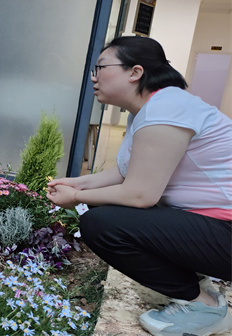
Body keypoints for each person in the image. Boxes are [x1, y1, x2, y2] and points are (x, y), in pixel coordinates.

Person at [47, 36, 231, 336]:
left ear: (135, 72)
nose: (94, 77)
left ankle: (205, 308)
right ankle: (199, 285)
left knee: (102, 223)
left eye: (101, 67)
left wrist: (77, 196)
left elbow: (140, 194)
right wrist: (75, 183)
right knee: (106, 207)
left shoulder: (167, 108)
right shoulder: (151, 107)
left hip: (227, 232)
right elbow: (125, 174)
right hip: (216, 227)